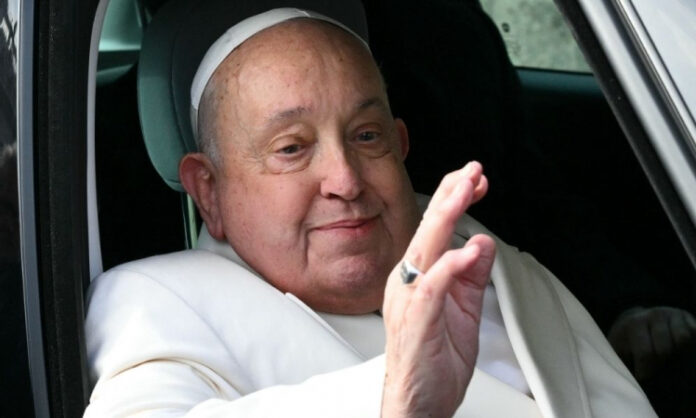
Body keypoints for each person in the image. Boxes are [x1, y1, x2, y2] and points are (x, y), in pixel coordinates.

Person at [84, 6, 656, 417]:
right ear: (208, 191)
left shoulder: (474, 247)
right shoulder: (153, 303)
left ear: (400, 146)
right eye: (292, 148)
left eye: (366, 135)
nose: (345, 179)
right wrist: (395, 399)